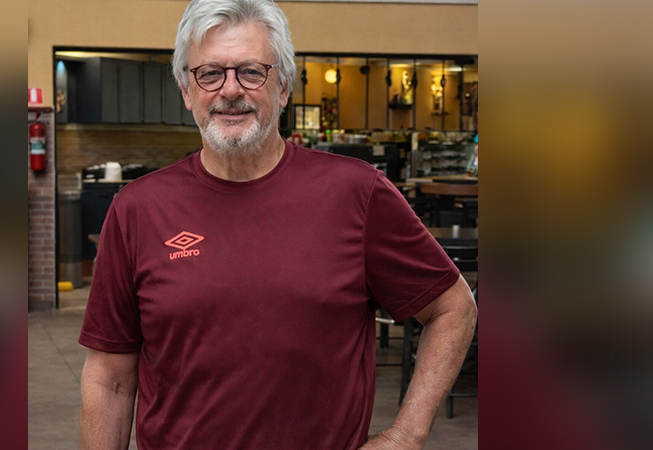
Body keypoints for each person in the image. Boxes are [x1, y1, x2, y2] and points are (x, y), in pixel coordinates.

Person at [78, 1, 477, 449]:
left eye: (252, 71)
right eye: (209, 73)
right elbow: (109, 380)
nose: (230, 90)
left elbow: (453, 308)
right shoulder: (137, 209)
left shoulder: (357, 193)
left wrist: (405, 436)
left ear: (284, 86)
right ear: (187, 91)